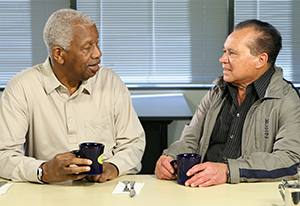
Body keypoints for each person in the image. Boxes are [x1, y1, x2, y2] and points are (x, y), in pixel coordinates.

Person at [0, 9, 145, 184]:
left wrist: (113, 166)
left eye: (97, 44)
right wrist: (44, 171)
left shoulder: (110, 81)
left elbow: (133, 142)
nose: (98, 53)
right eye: (87, 47)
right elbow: (3, 155)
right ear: (59, 54)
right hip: (47, 192)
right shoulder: (22, 86)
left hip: (105, 190)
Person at [155, 19, 300, 187]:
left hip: (248, 191)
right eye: (224, 51)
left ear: (260, 60)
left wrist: (228, 171)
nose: (222, 59)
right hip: (202, 187)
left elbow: (290, 160)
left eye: (232, 53)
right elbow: (190, 140)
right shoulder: (217, 92)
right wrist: (170, 157)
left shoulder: (287, 99)